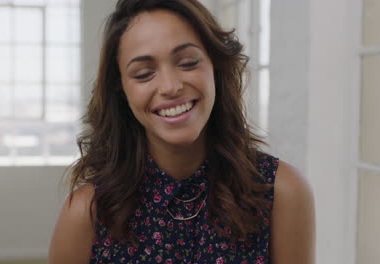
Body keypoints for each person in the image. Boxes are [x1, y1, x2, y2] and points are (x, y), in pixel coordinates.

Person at [48, 0, 315, 263]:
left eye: (187, 62)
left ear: (216, 67)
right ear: (122, 91)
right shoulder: (87, 213)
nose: (170, 86)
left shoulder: (282, 193)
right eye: (143, 74)